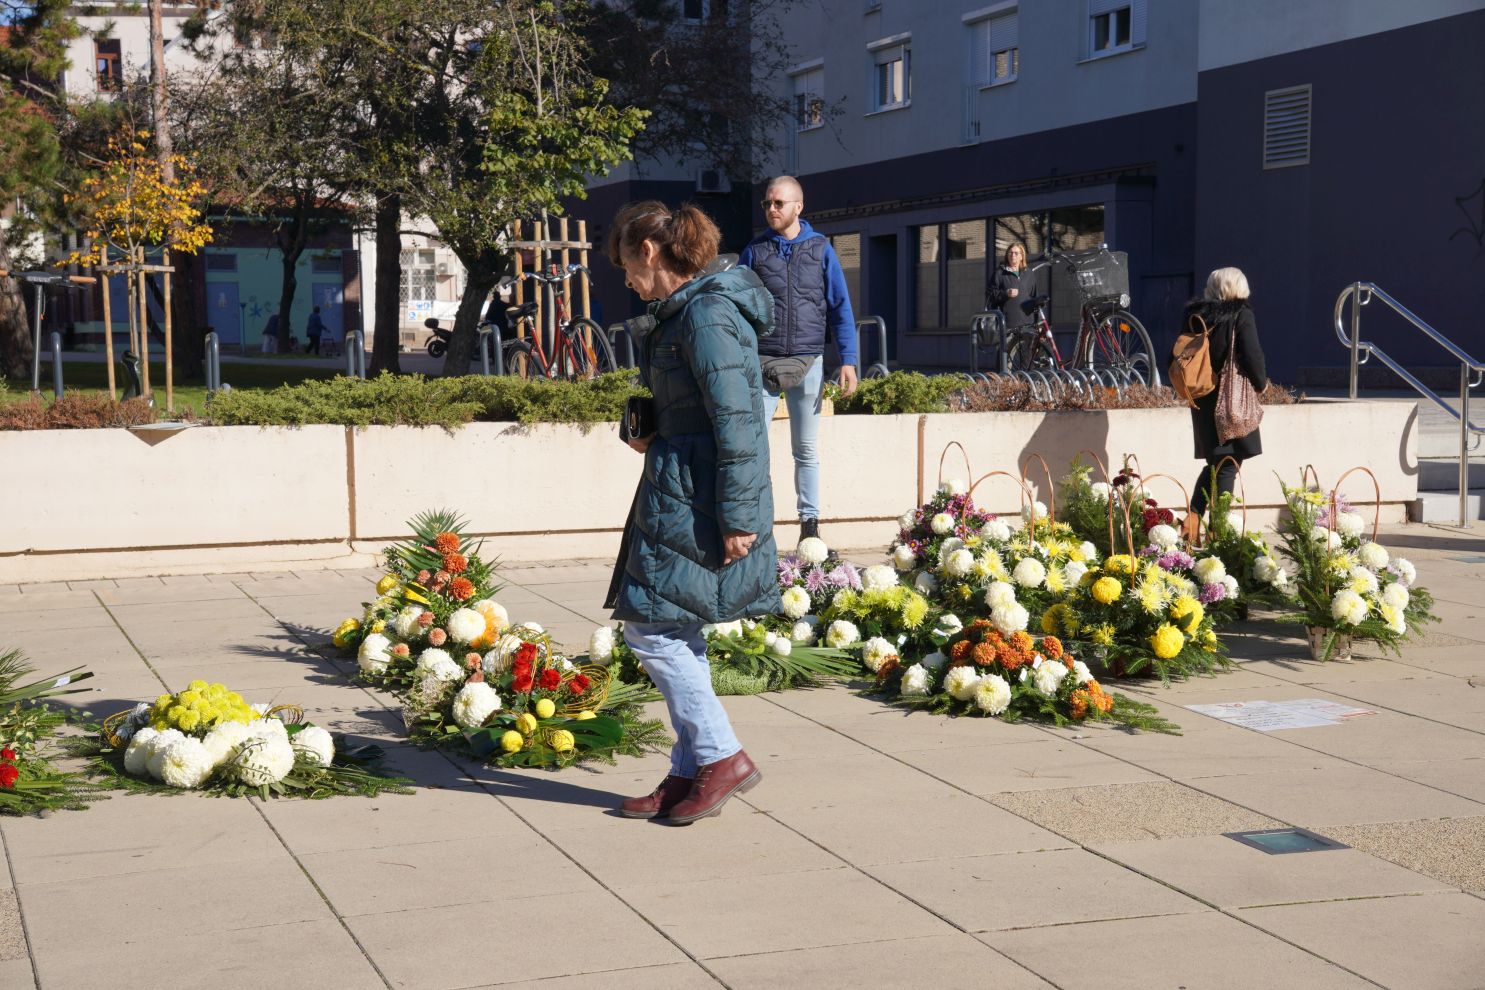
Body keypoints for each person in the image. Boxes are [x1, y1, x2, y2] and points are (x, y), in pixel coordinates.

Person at [604, 200, 778, 825]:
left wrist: (739, 518)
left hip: (702, 496)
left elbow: (741, 425)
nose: (625, 279)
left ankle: (722, 756)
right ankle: (686, 772)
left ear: (650, 253)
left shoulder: (705, 316)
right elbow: (701, 409)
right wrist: (653, 428)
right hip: (681, 482)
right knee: (674, 625)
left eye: (626, 264)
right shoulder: (684, 315)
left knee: (651, 628)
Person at [738, 175, 858, 547]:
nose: (771, 209)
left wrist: (849, 360)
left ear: (798, 207)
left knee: (805, 448)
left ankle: (809, 524)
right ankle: (756, 521)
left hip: (809, 361)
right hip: (762, 361)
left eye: (778, 203)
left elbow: (841, 307)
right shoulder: (754, 252)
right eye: (767, 204)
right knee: (752, 446)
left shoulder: (822, 250)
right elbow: (737, 307)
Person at [1184, 266, 1266, 532]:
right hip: (1231, 402)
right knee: (1228, 464)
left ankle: (1192, 521)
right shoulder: (1241, 315)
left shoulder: (1195, 316)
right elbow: (1252, 354)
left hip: (1203, 397)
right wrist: (1260, 383)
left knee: (1215, 463)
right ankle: (1219, 530)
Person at [988, 242, 1036, 336]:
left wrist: (1037, 325)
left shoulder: (1029, 274)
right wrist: (1006, 293)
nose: (1013, 255)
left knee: (1027, 351)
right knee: (1006, 351)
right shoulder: (999, 273)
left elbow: (1034, 299)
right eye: (1010, 252)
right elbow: (990, 295)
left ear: (1022, 256)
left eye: (1016, 253)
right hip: (1007, 327)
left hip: (1027, 327)